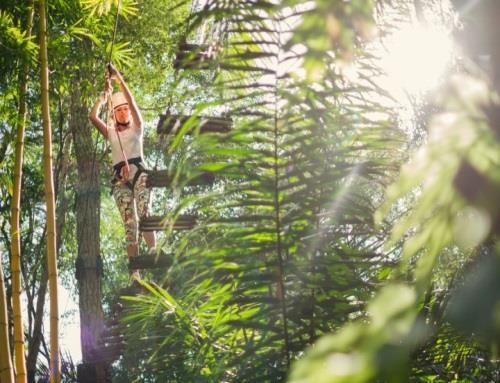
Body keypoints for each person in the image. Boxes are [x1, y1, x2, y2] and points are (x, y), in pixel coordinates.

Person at [89, 64, 156, 281]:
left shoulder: (138, 127)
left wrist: (119, 80)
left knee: (144, 210)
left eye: (125, 109)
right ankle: (135, 270)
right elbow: (92, 116)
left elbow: (134, 105)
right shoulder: (110, 132)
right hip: (120, 182)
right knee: (130, 223)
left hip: (140, 174)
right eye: (118, 110)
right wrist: (103, 97)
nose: (123, 112)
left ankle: (153, 250)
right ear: (114, 114)